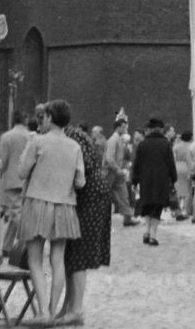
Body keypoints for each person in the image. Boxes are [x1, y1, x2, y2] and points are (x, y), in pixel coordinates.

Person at [18, 101, 85, 326]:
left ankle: (43, 312)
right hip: (64, 207)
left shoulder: (37, 141)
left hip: (37, 203)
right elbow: (80, 181)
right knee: (58, 260)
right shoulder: (74, 146)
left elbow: (21, 172)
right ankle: (53, 312)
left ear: (49, 117)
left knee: (35, 260)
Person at [61, 103, 110, 326]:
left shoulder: (71, 136)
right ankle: (68, 307)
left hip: (88, 197)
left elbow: (82, 168)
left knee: (78, 254)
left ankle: (76, 309)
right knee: (73, 254)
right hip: (90, 196)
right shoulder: (72, 134)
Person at [131, 118, 176, 246]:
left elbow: (136, 164)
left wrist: (135, 181)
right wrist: (173, 178)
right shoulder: (166, 144)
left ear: (149, 129)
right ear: (161, 129)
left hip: (145, 179)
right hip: (161, 179)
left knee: (147, 204)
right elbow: (171, 163)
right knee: (157, 205)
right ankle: (153, 235)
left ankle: (146, 231)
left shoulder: (142, 144)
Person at [0, 111, 35, 256]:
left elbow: (3, 161)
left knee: (15, 214)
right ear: (25, 120)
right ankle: (7, 246)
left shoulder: (7, 137)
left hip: (12, 180)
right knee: (19, 213)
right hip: (28, 179)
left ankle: (30, 241)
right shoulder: (31, 137)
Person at [105, 116, 136, 226]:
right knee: (112, 194)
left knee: (123, 194)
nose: (125, 129)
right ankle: (127, 216)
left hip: (115, 172)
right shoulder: (113, 140)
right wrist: (118, 169)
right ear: (118, 127)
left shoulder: (117, 139)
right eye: (123, 127)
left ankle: (127, 216)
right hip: (110, 172)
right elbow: (109, 157)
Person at [172, 128, 195, 221]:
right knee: (188, 190)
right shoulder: (191, 146)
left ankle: (176, 210)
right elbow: (190, 160)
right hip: (186, 167)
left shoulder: (176, 146)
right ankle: (186, 210)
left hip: (177, 166)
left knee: (177, 189)